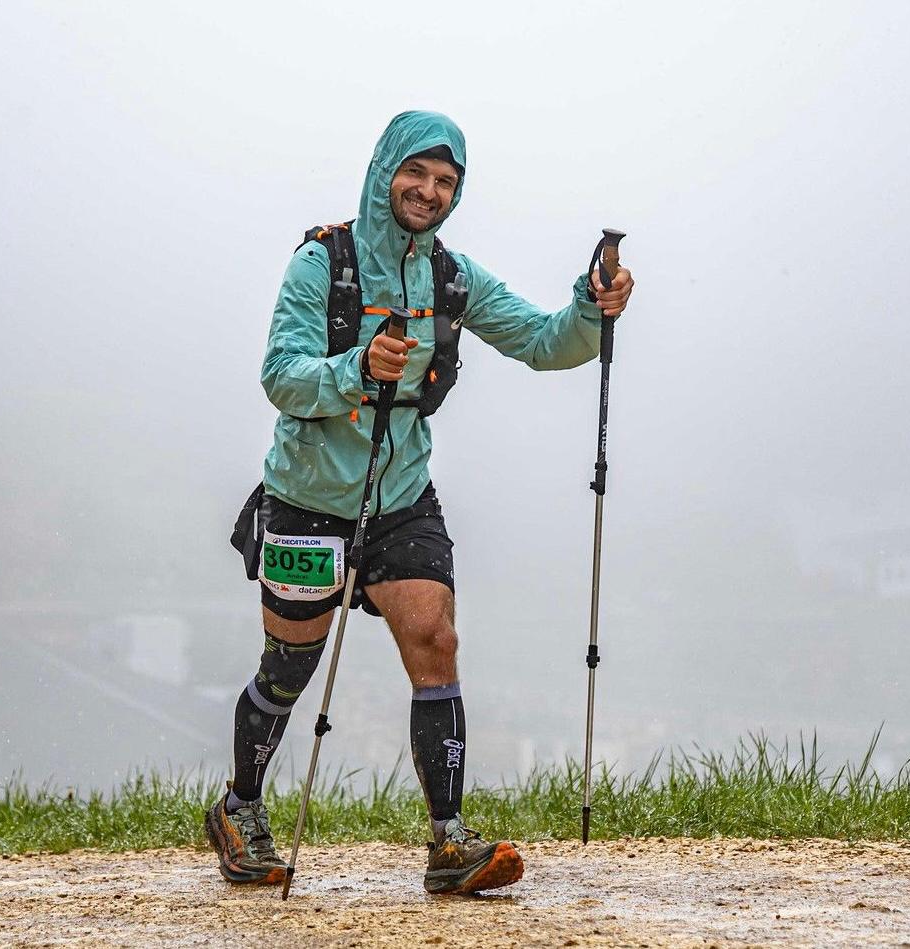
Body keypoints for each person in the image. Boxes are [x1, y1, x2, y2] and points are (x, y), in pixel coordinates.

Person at [205, 110, 634, 895]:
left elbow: (545, 342)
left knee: (433, 636)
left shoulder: (450, 277)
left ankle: (449, 842)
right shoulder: (321, 264)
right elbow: (281, 374)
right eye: (417, 175)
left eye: (446, 182)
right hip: (307, 498)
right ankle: (240, 808)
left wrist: (590, 308)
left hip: (400, 491)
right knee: (289, 667)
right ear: (384, 173)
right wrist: (355, 368)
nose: (429, 192)